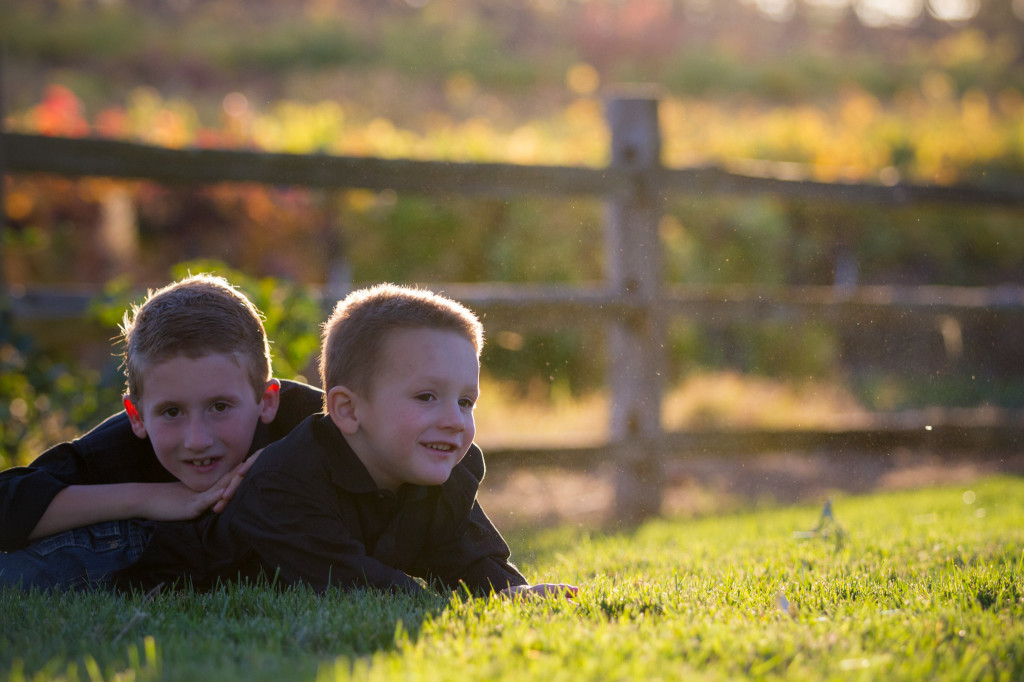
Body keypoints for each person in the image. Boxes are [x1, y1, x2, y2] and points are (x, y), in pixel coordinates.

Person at [124, 283, 576, 598]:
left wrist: (511, 593)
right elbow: (355, 582)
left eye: (465, 402)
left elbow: (463, 554)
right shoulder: (282, 483)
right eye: (426, 397)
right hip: (133, 555)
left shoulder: (444, 467)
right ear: (347, 409)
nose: (454, 420)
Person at [0, 273, 324, 590]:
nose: (197, 440)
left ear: (266, 401)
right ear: (137, 417)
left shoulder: (315, 425)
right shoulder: (119, 449)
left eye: (220, 407)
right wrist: (149, 498)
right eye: (172, 412)